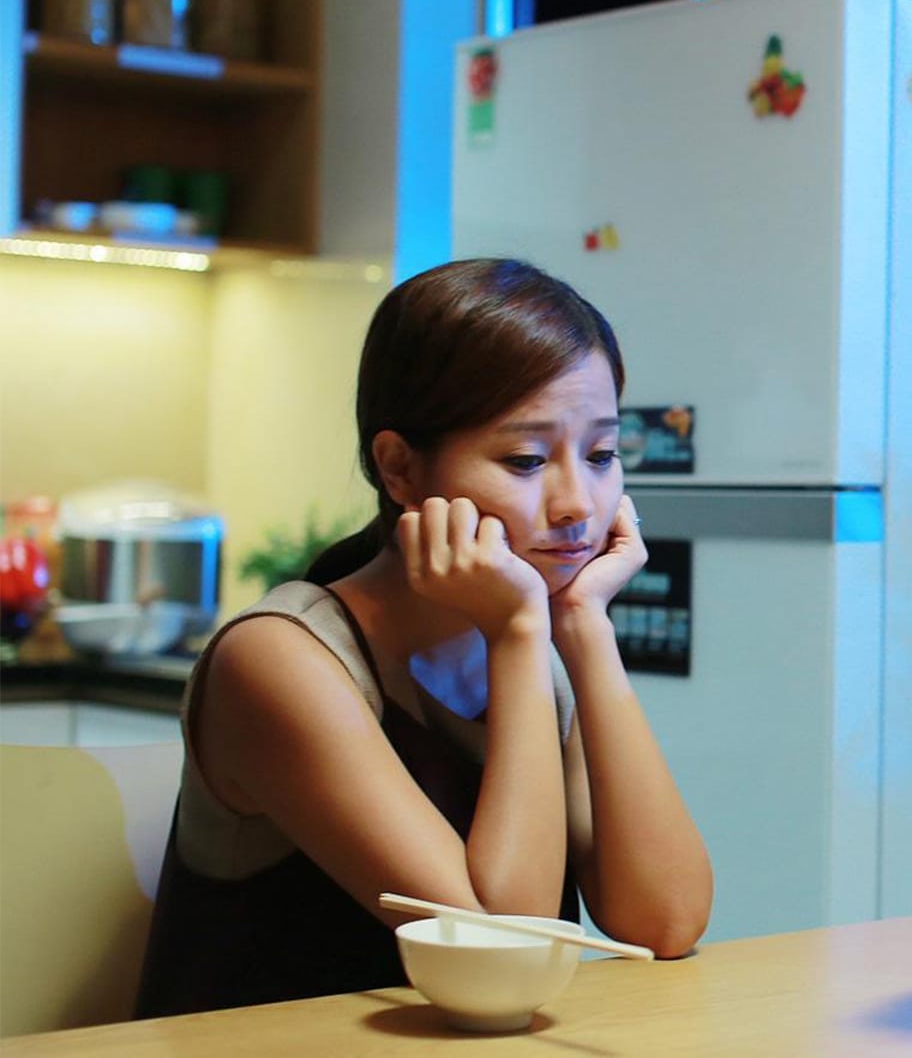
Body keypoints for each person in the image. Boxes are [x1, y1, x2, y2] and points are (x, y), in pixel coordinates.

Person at [136, 259, 712, 1017]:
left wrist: (583, 625)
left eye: (602, 455)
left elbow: (667, 921)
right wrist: (519, 629)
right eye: (527, 460)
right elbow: (503, 950)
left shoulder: (531, 650)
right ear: (400, 469)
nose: (579, 503)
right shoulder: (279, 659)